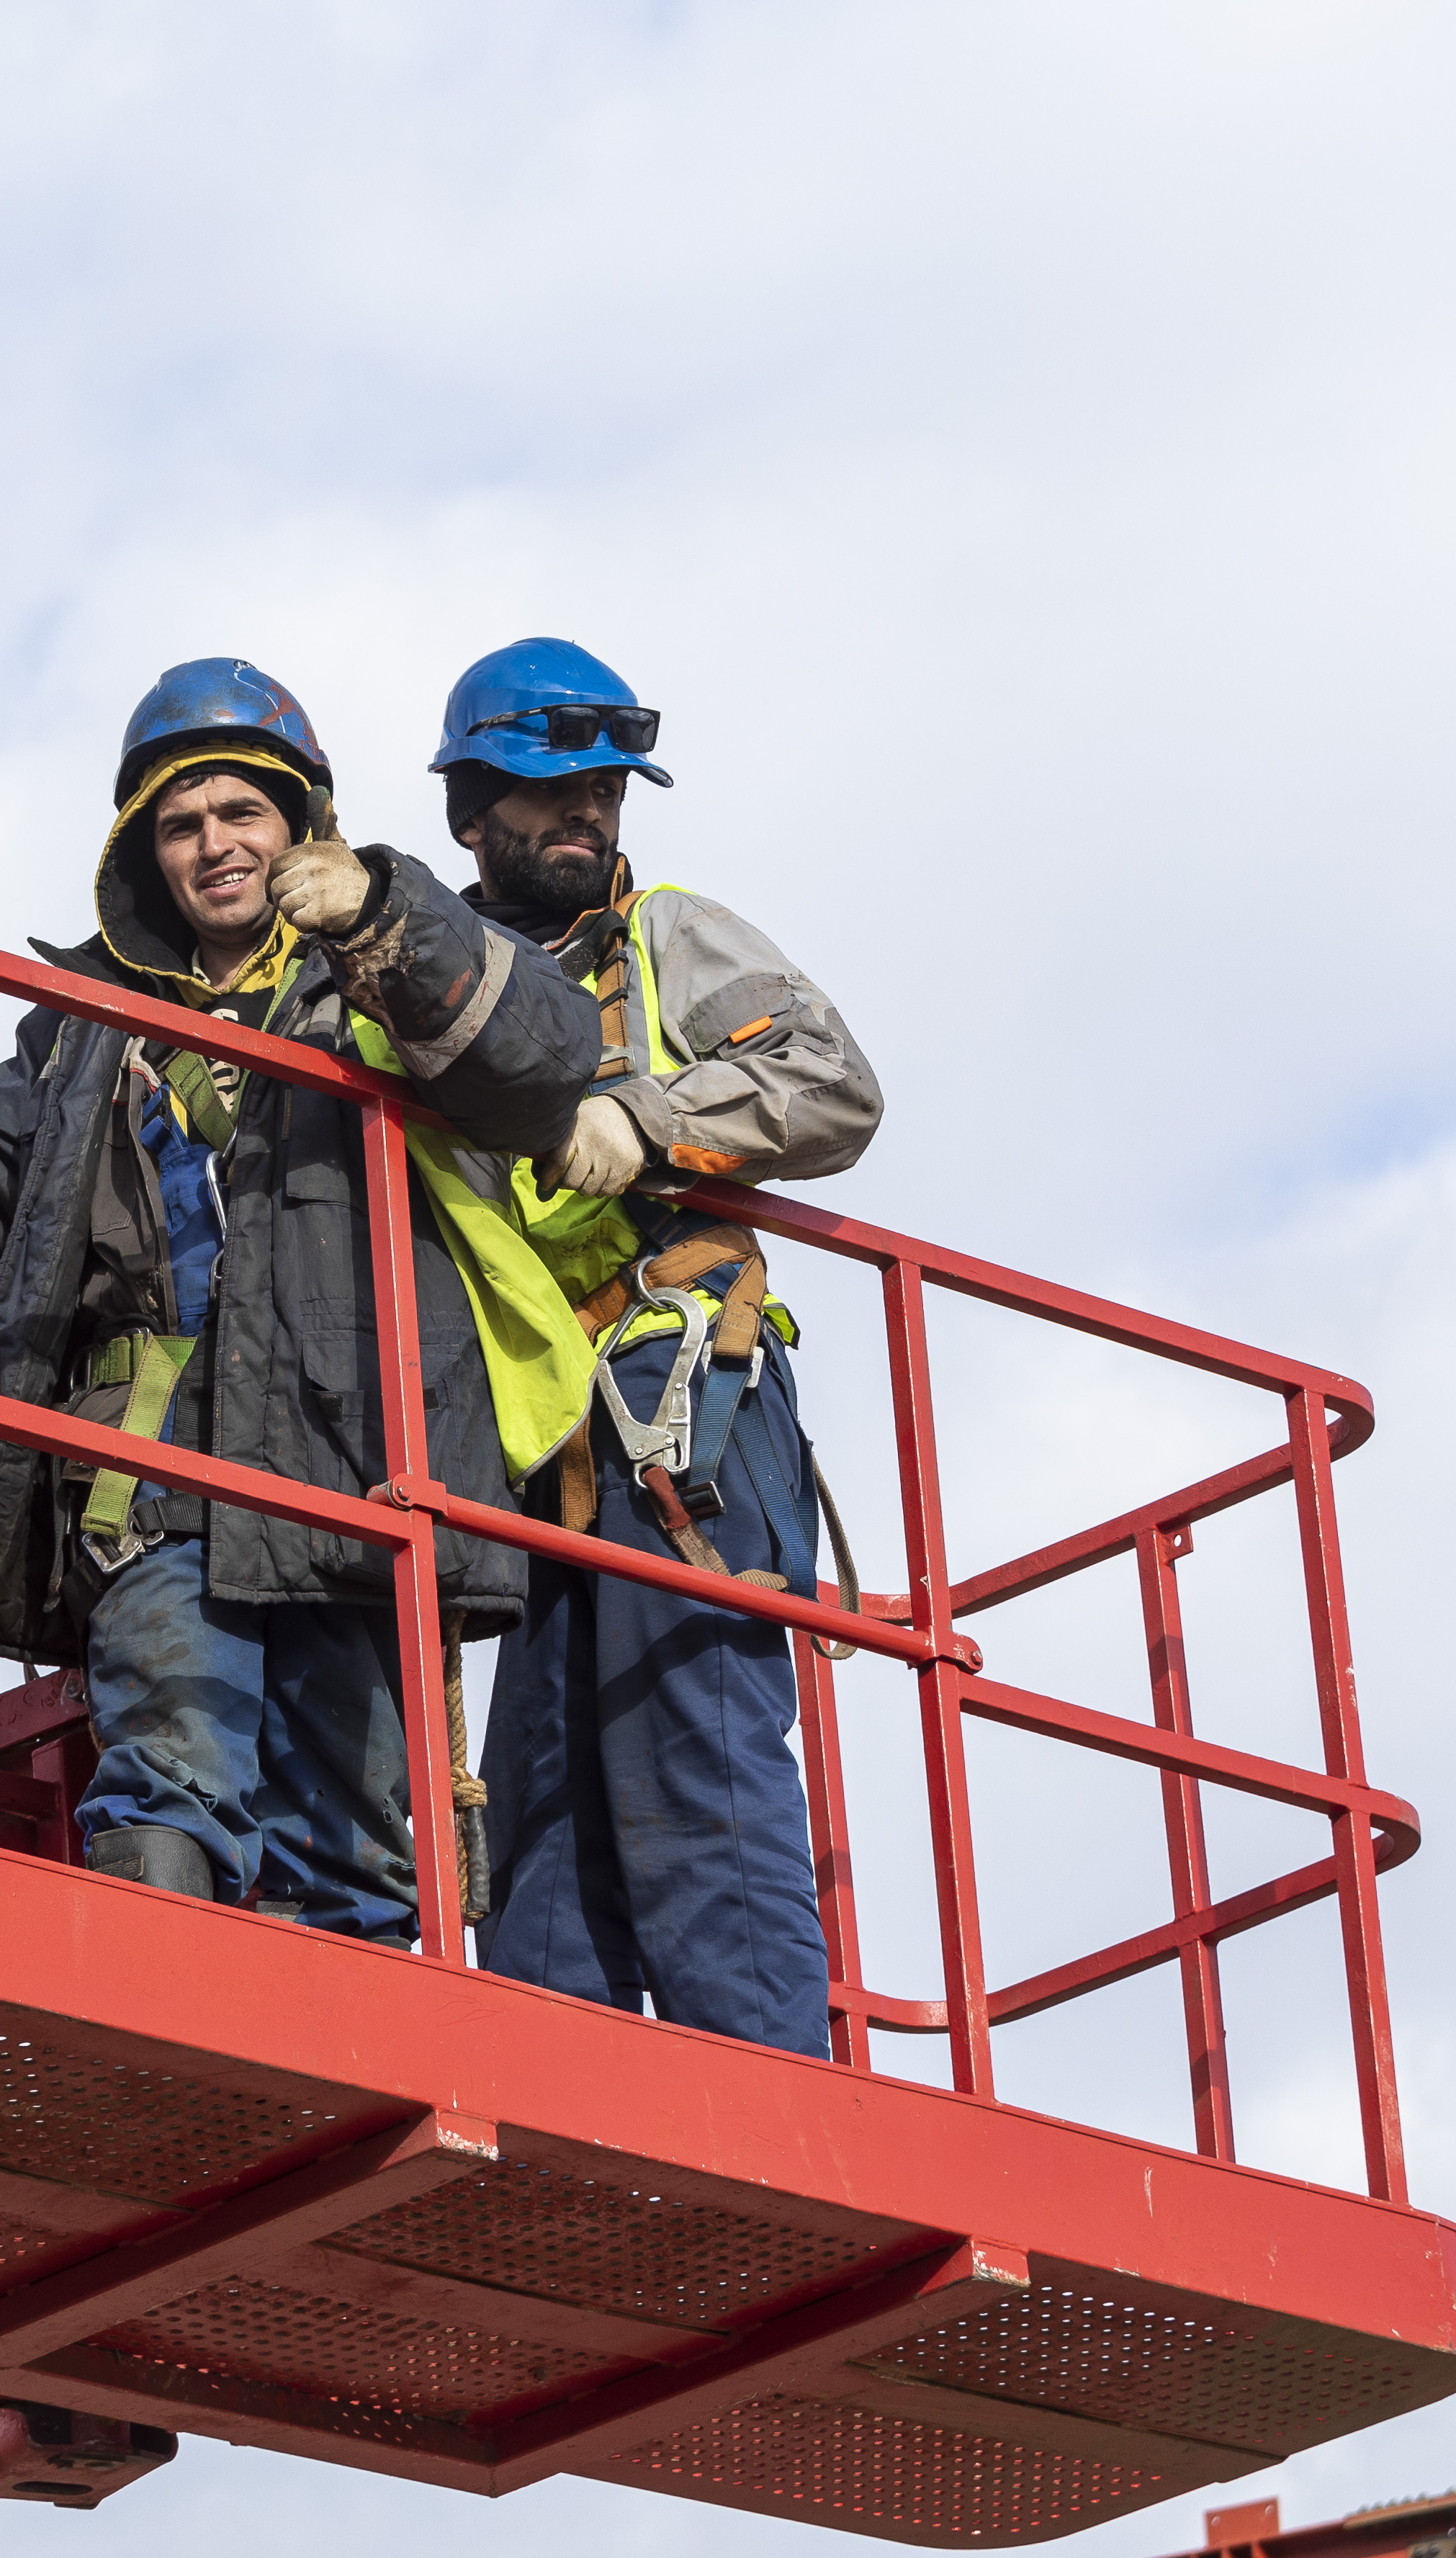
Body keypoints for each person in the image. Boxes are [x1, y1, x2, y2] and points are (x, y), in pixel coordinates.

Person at [0, 658, 598, 1940]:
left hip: (355, 1469)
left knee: (357, 1842)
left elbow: (545, 1057)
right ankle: (173, 2025)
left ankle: (344, 2069)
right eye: (182, 826)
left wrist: (381, 916)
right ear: (147, 856)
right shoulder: (84, 1029)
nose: (215, 847)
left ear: (301, 823)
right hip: (148, 1469)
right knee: (165, 1777)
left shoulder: (383, 984)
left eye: (241, 814)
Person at [436, 635, 880, 2054]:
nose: (587, 814)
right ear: (471, 813)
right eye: (549, 789)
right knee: (542, 1824)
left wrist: (648, 1113)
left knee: (696, 1776)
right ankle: (561, 2134)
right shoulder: (432, 983)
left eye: (606, 790)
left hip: (684, 1402)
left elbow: (836, 1086)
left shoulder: (663, 939)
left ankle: (783, 2125)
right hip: (538, 1439)